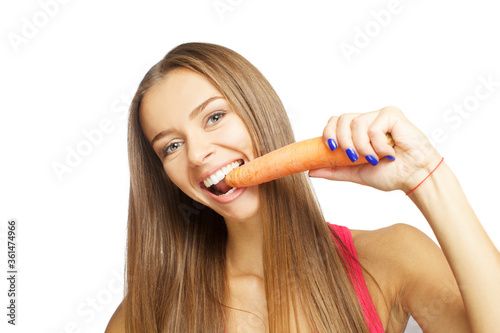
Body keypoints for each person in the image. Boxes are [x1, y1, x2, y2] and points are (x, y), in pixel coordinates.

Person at [105, 42, 499, 332]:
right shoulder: (143, 316)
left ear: (259, 111)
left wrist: (427, 177)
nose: (196, 155)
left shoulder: (390, 257)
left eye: (214, 117)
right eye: (171, 146)